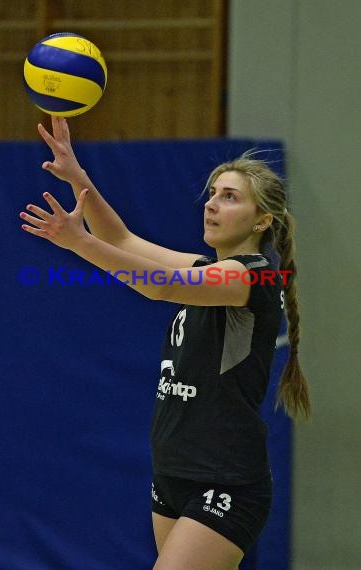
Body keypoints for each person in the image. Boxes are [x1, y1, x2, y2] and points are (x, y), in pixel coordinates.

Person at [19, 116, 311, 570]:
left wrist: (77, 244)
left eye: (230, 197)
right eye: (212, 194)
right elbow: (120, 238)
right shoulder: (202, 267)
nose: (212, 204)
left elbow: (158, 285)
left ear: (262, 220)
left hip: (227, 479)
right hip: (174, 472)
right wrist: (79, 178)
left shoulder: (248, 277)